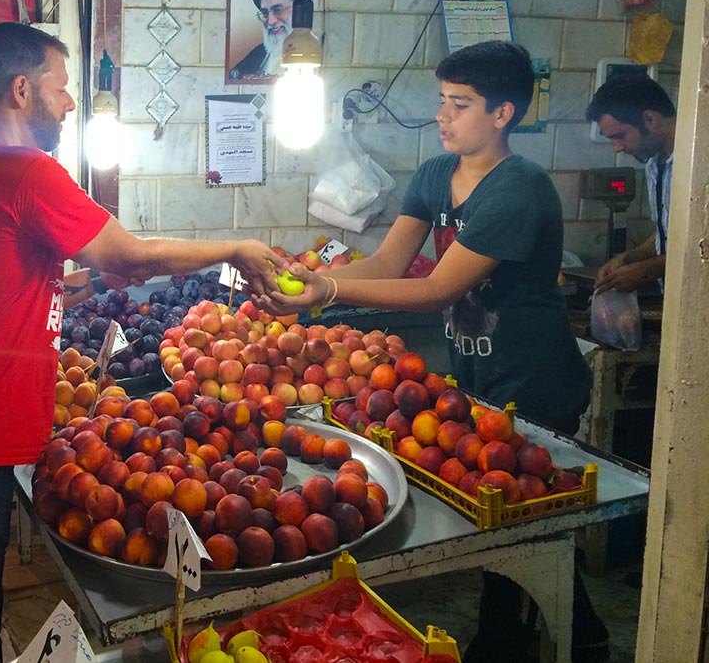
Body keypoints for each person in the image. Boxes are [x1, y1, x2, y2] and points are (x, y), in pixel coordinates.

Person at [0, 22, 283, 663]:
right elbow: (133, 253)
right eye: (60, 88)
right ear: (20, 90)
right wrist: (235, 246)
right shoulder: (26, 170)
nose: (70, 103)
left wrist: (69, 286)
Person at [254, 41, 605, 663]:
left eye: (460, 104)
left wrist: (327, 290)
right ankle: (561, 631)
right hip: (478, 376)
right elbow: (389, 262)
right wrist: (314, 273)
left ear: (503, 114)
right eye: (442, 100)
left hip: (537, 379)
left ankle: (522, 639)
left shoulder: (519, 188)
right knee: (506, 514)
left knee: (520, 519)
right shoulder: (434, 175)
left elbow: (437, 288)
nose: (442, 116)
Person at [585, 74, 677, 293]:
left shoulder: (700, 160)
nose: (616, 148)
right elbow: (669, 232)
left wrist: (647, 270)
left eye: (620, 136)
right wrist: (630, 259)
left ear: (651, 120)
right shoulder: (655, 163)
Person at [228, 0, 301, 81]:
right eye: (265, 13)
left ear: (298, 9)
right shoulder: (256, 55)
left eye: (278, 9)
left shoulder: (312, 54)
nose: (271, 21)